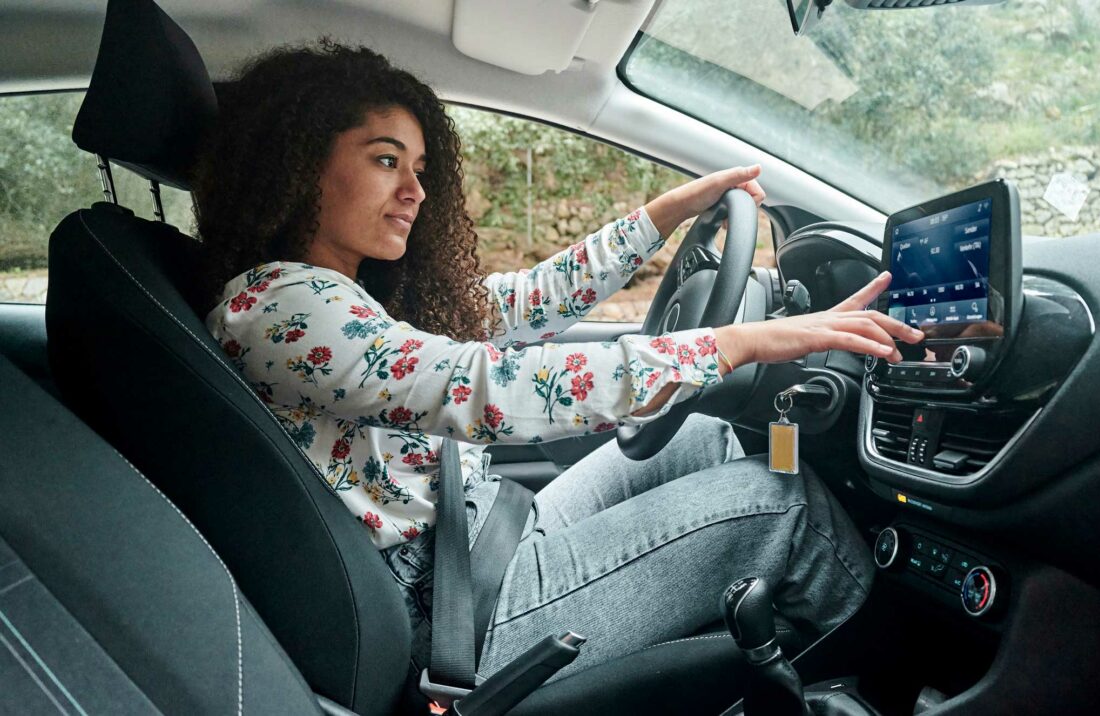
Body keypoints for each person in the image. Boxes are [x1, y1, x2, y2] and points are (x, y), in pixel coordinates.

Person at [196, 40, 923, 679]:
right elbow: (488, 389)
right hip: (460, 614)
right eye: (387, 161)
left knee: (701, 435)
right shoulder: (281, 306)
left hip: (475, 544)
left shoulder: (338, 292)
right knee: (781, 509)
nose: (416, 191)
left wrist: (666, 212)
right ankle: (901, 681)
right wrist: (739, 343)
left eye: (419, 167)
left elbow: (522, 302)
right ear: (298, 166)